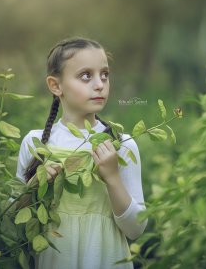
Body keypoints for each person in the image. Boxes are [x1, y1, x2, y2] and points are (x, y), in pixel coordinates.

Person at [16, 37, 148, 269]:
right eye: (86, 75)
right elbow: (13, 223)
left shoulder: (121, 144)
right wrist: (34, 188)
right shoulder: (36, 143)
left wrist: (113, 178)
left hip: (106, 258)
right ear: (55, 85)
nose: (99, 84)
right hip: (55, 257)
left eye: (104, 74)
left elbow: (136, 229)